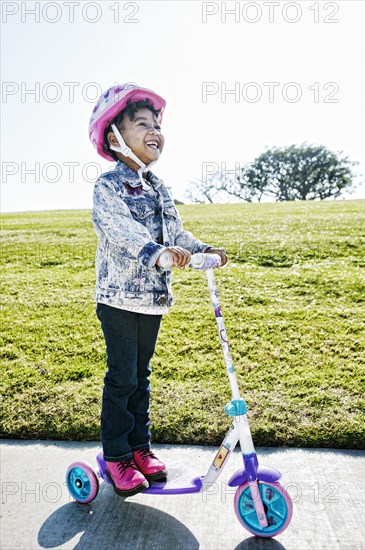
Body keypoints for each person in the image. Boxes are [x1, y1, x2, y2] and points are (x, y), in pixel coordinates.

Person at [89, 83, 228, 497]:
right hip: (117, 299)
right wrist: (157, 253)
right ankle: (116, 455)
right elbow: (122, 231)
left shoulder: (158, 187)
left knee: (142, 377)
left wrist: (200, 250)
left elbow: (176, 231)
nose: (154, 131)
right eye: (142, 124)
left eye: (157, 125)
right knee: (122, 377)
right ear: (115, 137)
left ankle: (139, 448)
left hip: (151, 301)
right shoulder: (108, 188)